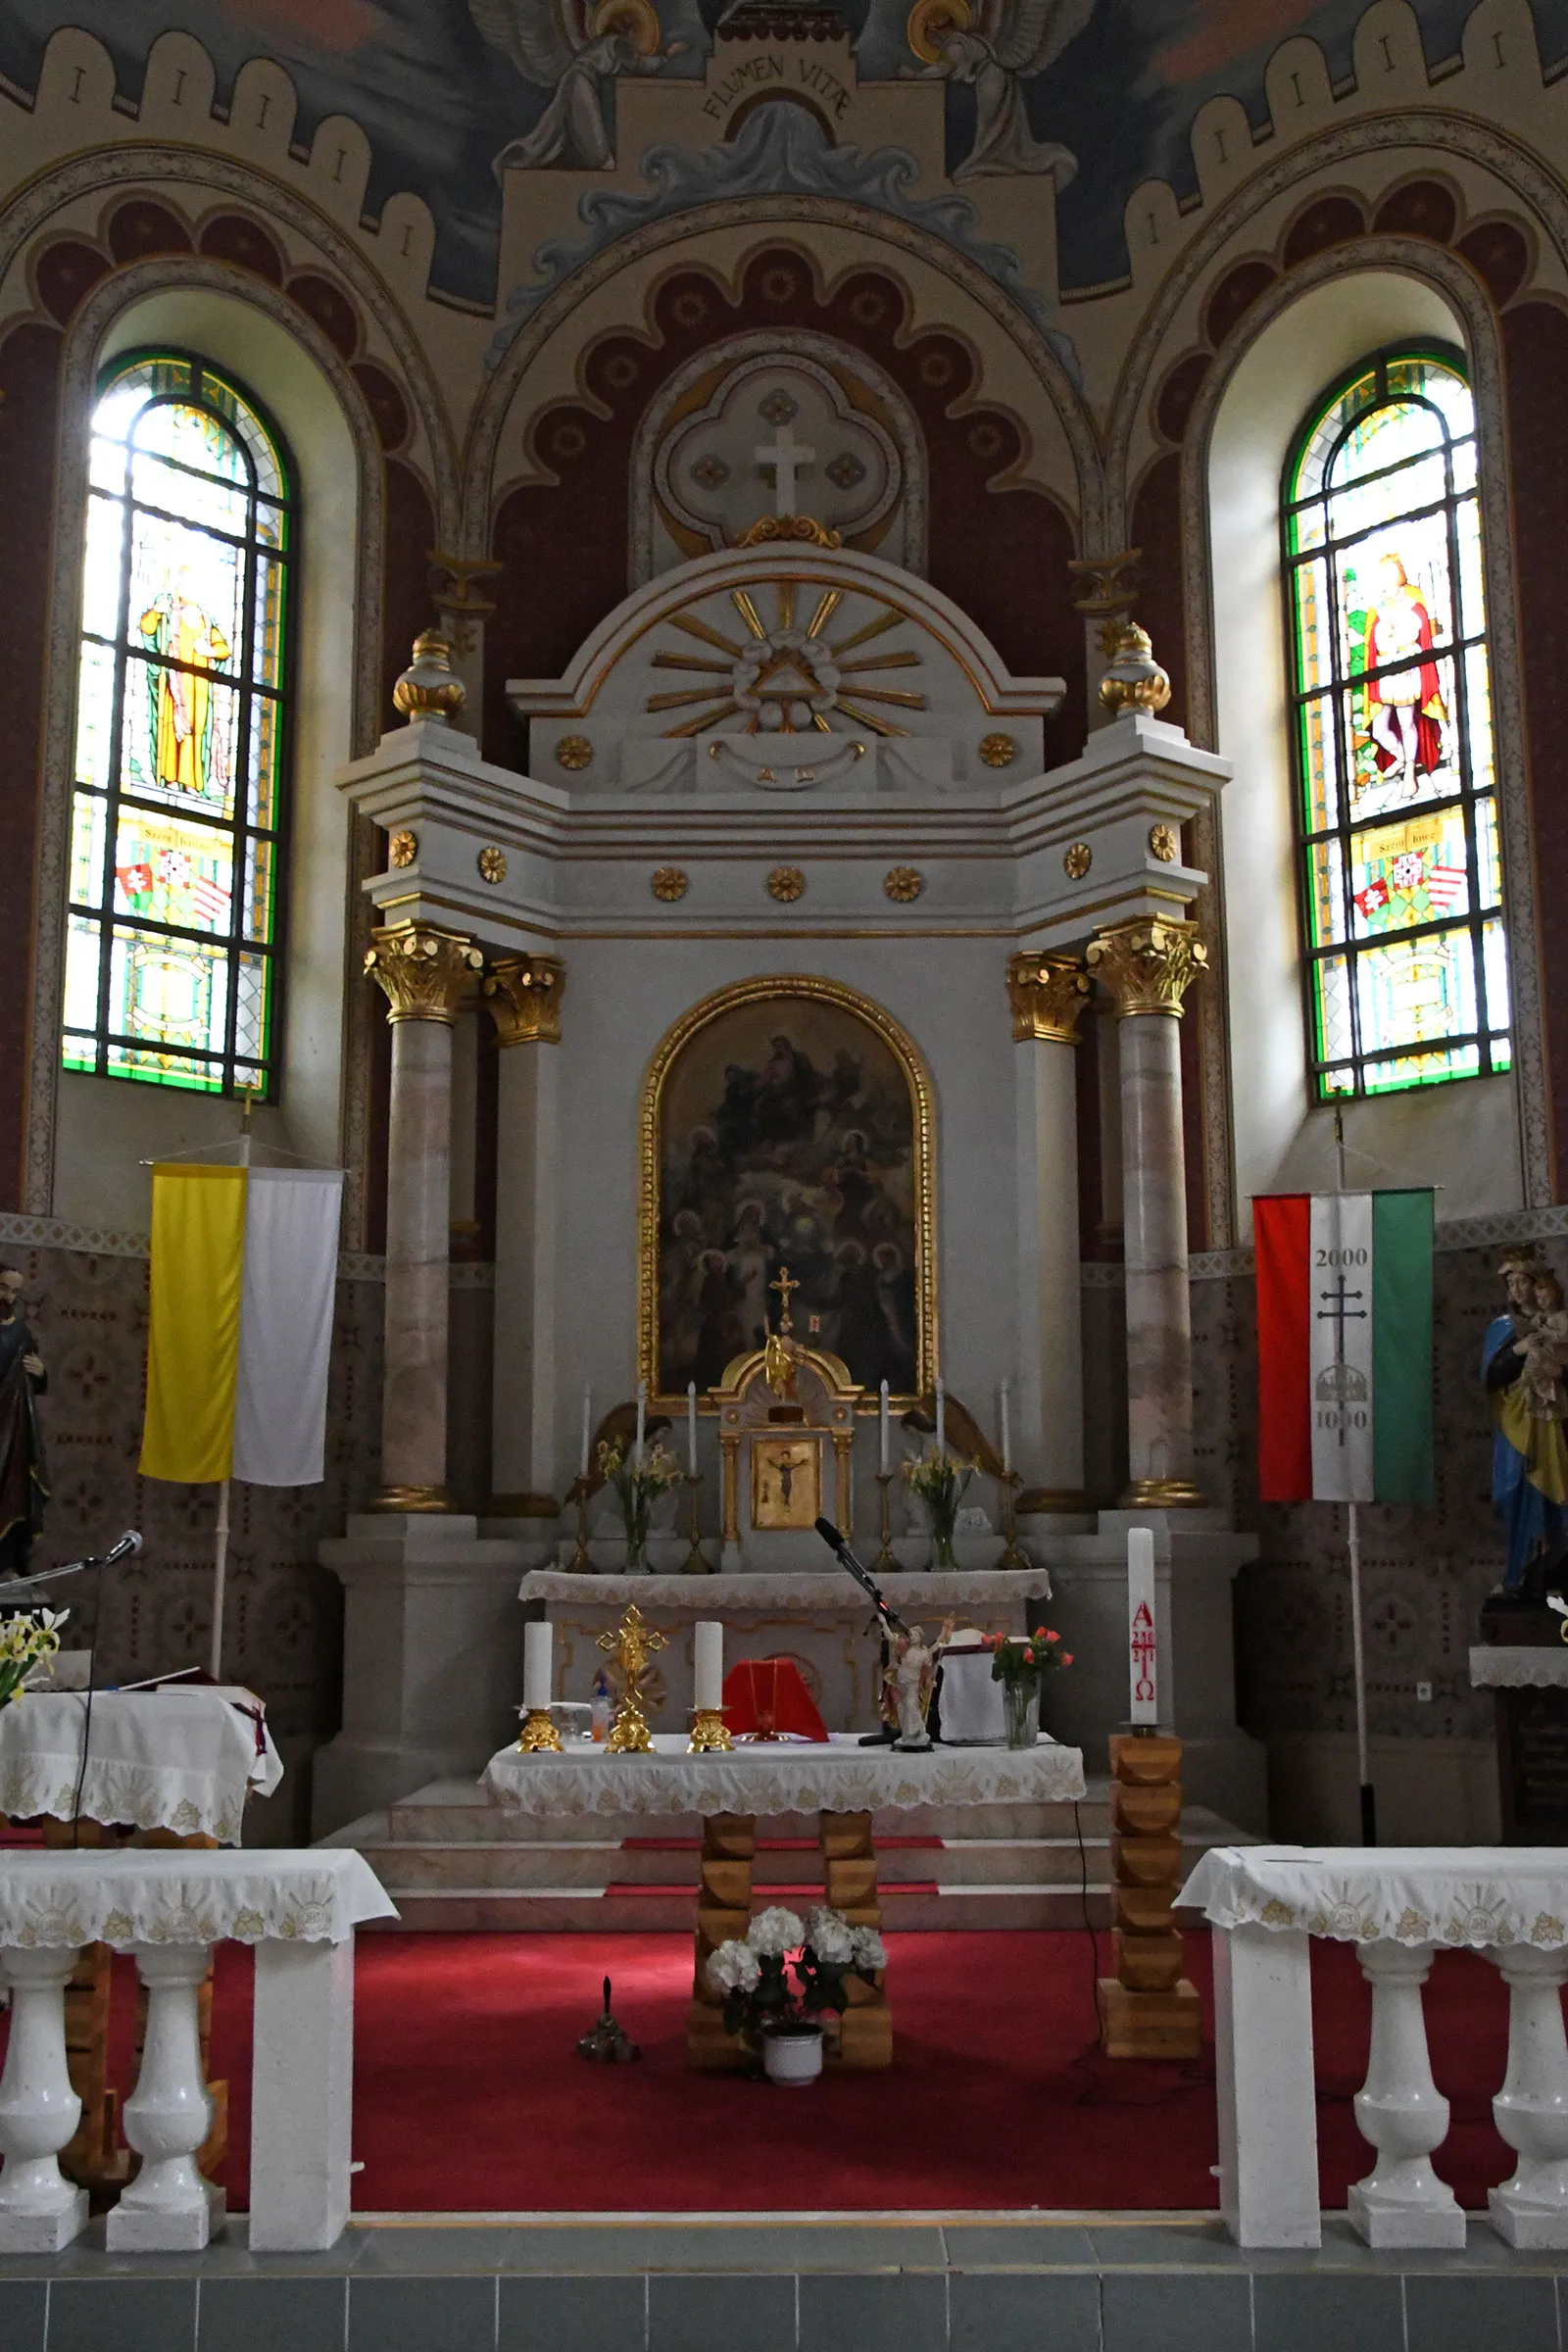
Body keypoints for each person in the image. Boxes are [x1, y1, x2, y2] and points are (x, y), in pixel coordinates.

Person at [1483, 1249, 1568, 1597]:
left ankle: (1559, 1572)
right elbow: (1490, 1377)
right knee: (1521, 1493)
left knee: (1558, 1493)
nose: (1517, 1290)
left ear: (1541, 1286)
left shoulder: (1560, 1323)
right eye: (1511, 1283)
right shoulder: (1504, 1328)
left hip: (1554, 1422)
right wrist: (1517, 1353)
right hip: (1517, 1428)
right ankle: (1519, 1571)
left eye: (1523, 1282)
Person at [0, 1265, 48, 1579]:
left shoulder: (21, 1333)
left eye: (15, 1291)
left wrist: (40, 1373)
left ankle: (5, 1564)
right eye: (4, 1288)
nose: (8, 1297)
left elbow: (35, 1383)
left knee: (10, 1494)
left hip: (11, 1431)